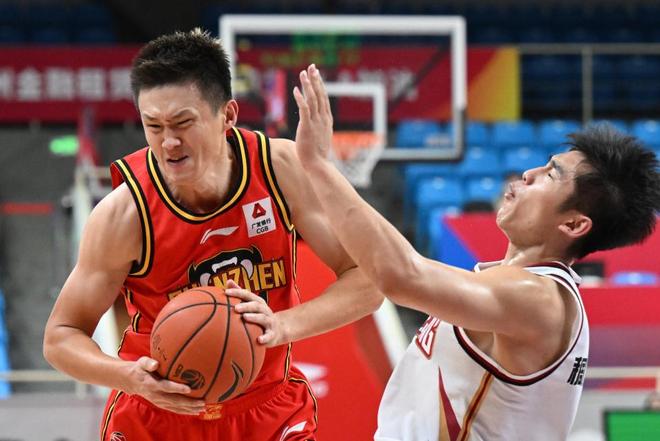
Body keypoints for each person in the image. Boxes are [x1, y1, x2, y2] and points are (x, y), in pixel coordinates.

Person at [283, 64, 660, 440]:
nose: (528, 173)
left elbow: (401, 275)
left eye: (551, 174)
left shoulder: (538, 298)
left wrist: (319, 166)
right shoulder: (513, 287)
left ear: (574, 225)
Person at [43, 30, 382, 441]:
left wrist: (282, 325)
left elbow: (368, 281)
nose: (169, 142)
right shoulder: (124, 214)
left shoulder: (281, 170)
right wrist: (128, 376)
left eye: (183, 123)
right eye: (153, 126)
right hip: (158, 414)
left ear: (228, 115)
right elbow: (61, 337)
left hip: (266, 408)